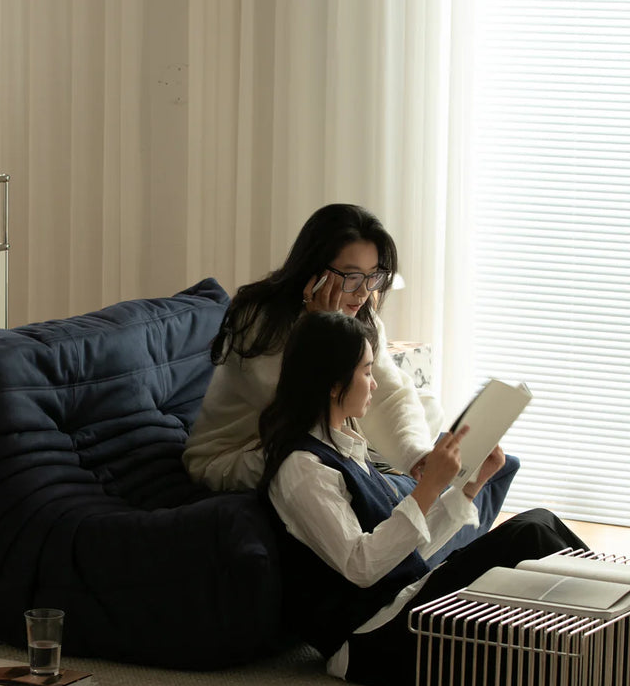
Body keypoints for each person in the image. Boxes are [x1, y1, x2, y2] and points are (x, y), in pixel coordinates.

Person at [258, 310, 588, 686]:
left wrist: (471, 485)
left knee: (541, 521)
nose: (374, 385)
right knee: (529, 534)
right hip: (372, 636)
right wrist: (428, 487)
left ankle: (611, 626)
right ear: (334, 385)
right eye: (367, 372)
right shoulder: (303, 469)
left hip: (406, 603)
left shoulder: (347, 448)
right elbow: (361, 565)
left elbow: (410, 548)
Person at [183, 202, 519, 565]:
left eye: (373, 277)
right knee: (415, 501)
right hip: (247, 451)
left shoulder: (362, 315)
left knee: (481, 464)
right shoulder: (261, 320)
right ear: (314, 271)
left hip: (320, 437)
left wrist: (417, 456)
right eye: (351, 276)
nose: (362, 293)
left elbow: (389, 393)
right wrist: (323, 332)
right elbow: (304, 411)